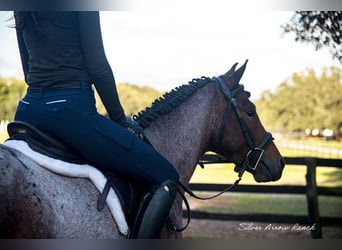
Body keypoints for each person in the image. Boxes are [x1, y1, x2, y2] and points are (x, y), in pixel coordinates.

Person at [13, 11, 179, 238]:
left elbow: (27, 68)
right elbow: (98, 67)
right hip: (70, 112)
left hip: (26, 111)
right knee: (166, 174)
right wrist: (120, 119)